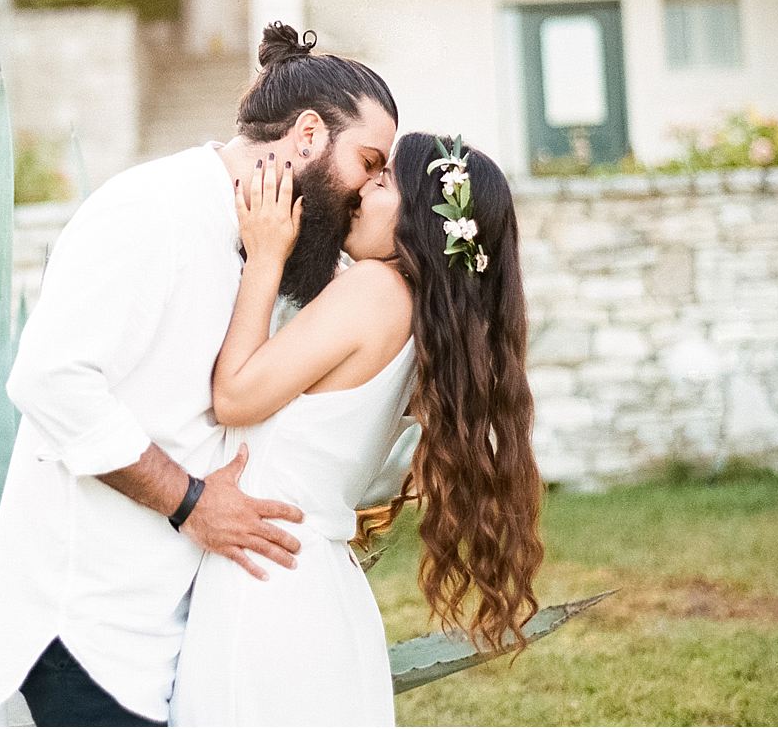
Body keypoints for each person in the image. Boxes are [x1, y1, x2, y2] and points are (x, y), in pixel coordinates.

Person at [0, 23, 399, 726]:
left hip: (169, 622)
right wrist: (192, 502)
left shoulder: (258, 243)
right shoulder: (152, 210)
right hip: (87, 626)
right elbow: (51, 377)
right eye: (368, 161)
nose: (366, 190)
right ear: (304, 137)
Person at [169, 133, 546, 726]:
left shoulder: (375, 292)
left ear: (421, 217)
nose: (363, 187)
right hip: (310, 580)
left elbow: (235, 395)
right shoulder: (417, 316)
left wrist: (265, 255)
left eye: (385, 178)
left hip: (268, 580)